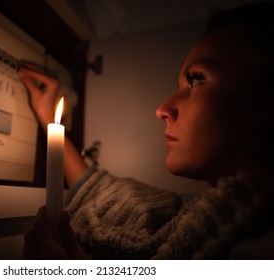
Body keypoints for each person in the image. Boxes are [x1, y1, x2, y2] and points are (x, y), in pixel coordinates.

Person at [20, 1, 274, 259]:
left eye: (195, 79)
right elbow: (109, 196)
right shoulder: (203, 214)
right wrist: (46, 115)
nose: (162, 109)